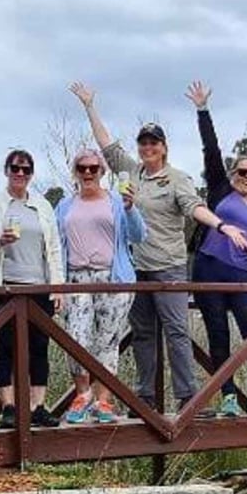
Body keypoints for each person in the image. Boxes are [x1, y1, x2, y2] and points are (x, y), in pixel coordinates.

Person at [70, 82, 244, 414]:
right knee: (143, 334)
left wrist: (221, 225)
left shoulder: (177, 178)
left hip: (170, 266)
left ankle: (187, 397)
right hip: (137, 268)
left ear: (163, 147)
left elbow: (194, 207)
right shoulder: (129, 171)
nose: (147, 148)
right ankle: (144, 399)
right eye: (143, 143)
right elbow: (105, 143)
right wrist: (90, 106)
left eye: (153, 143)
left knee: (177, 331)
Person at [185, 81, 247, 417]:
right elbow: (211, 150)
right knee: (218, 335)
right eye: (243, 172)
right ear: (234, 174)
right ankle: (230, 397)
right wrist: (203, 110)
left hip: (243, 276)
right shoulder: (222, 192)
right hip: (209, 269)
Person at [54, 147, 146, 423]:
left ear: (102, 172)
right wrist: (57, 283)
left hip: (113, 277)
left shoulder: (118, 201)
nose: (88, 172)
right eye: (82, 167)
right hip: (76, 278)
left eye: (94, 168)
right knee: (76, 338)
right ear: (76, 172)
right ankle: (82, 395)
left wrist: (131, 209)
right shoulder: (64, 206)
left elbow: (139, 235)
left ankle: (103, 400)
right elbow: (57, 246)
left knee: (108, 340)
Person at [0, 149, 64, 429]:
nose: (20, 174)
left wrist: (58, 287)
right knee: (5, 347)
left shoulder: (42, 205)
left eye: (26, 170)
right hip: (4, 285)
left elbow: (53, 247)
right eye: (15, 168)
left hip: (38, 285)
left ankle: (37, 406)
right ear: (6, 171)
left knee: (39, 347)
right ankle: (9, 407)